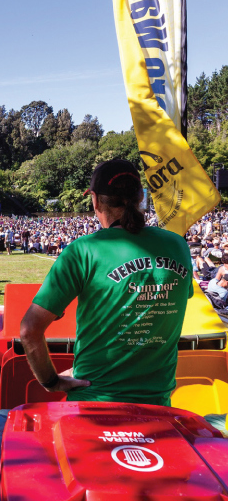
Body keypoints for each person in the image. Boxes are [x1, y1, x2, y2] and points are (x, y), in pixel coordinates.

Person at [20, 159, 193, 407]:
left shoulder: (84, 251)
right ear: (140, 197)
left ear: (95, 201)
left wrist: (51, 382)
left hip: (93, 402)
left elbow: (29, 330)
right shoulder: (178, 246)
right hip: (157, 406)